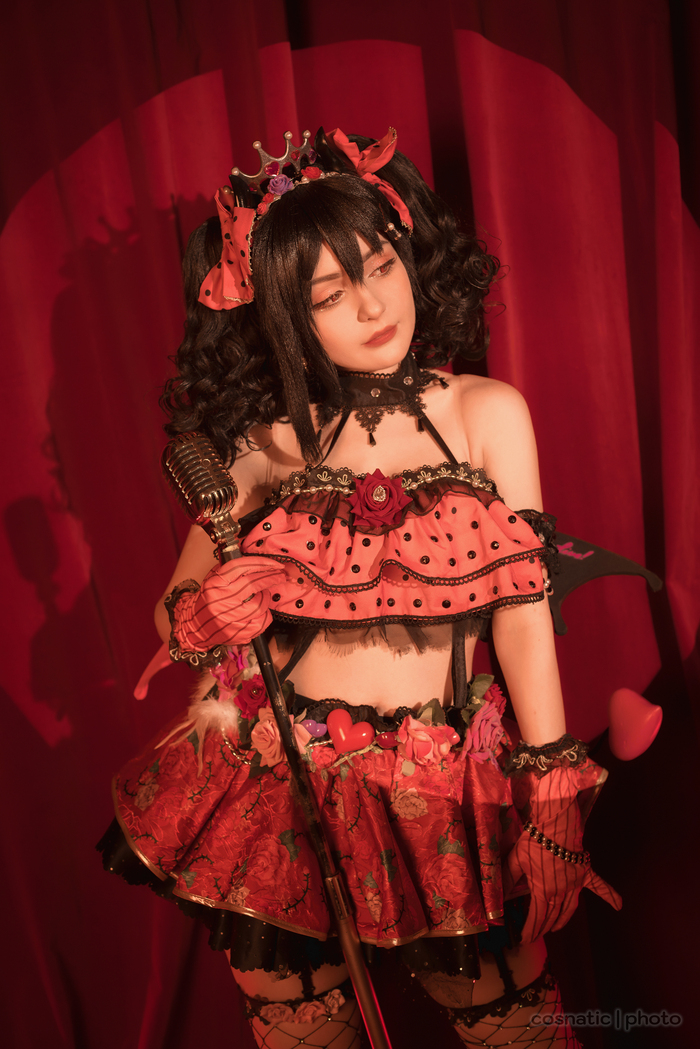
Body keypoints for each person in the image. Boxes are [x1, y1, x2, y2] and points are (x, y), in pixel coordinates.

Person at [99, 127, 621, 1048]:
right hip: (281, 784)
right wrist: (204, 615)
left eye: (380, 266)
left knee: (513, 1019)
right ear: (287, 318)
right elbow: (177, 607)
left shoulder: (487, 412)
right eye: (330, 295)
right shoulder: (266, 442)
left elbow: (524, 609)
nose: (375, 304)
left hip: (445, 784)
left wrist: (548, 789)